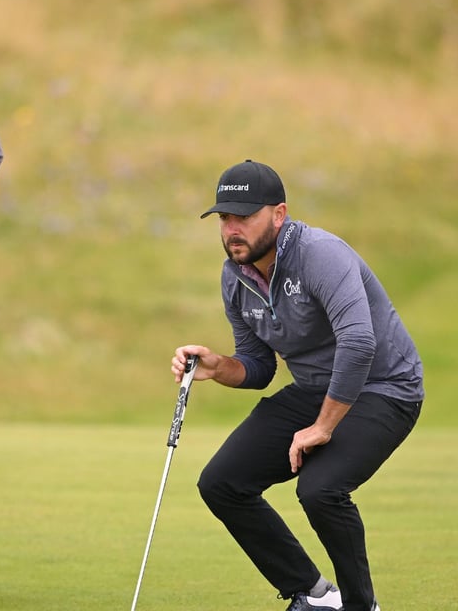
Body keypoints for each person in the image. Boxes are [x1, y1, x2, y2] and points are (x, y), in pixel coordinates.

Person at [171, 160, 424, 611]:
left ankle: (361, 606)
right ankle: (315, 595)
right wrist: (218, 366)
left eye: (244, 216)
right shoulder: (236, 277)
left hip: (386, 388)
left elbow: (359, 342)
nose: (233, 229)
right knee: (221, 483)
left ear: (279, 214)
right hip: (315, 388)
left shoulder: (321, 254)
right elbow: (258, 366)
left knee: (319, 488)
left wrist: (323, 427)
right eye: (225, 218)